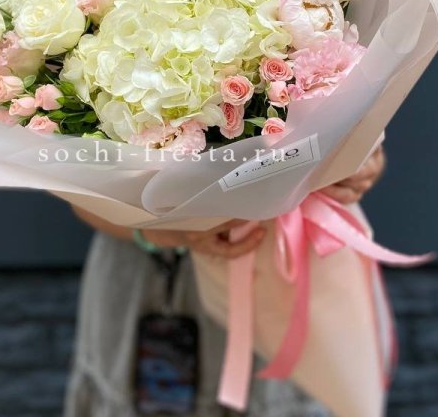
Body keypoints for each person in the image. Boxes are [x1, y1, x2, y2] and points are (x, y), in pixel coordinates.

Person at [64, 146, 386, 417]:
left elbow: (359, 140)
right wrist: (167, 233)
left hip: (282, 269)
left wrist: (359, 163)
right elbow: (77, 188)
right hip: (148, 274)